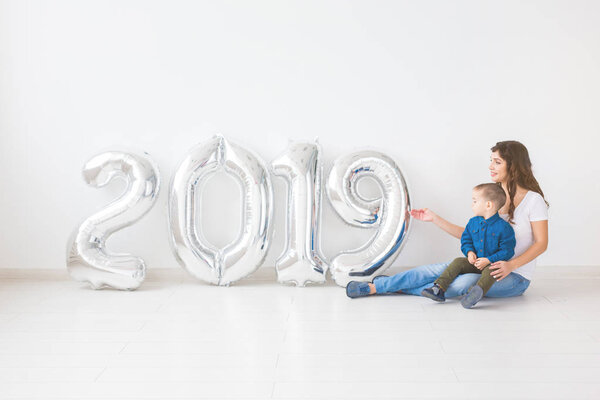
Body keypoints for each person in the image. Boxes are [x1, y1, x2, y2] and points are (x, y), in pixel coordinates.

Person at [345, 140, 549, 301]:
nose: (490, 166)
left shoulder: (533, 200)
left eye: (497, 162)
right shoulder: (492, 197)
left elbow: (541, 243)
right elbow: (469, 234)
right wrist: (435, 219)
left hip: (515, 277)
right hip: (481, 265)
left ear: (513, 166)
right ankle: (374, 288)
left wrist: (511, 266)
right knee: (434, 270)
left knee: (461, 284)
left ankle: (398, 286)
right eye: (491, 160)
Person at [420, 183, 515, 308]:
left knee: (493, 270)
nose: (472, 205)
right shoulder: (472, 222)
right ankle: (438, 288)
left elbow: (507, 251)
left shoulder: (504, 228)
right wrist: (469, 252)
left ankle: (475, 293)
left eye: (475, 201)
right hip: (475, 262)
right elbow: (466, 241)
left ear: (488, 205)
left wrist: (488, 260)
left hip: (491, 263)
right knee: (458, 261)